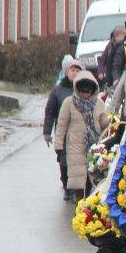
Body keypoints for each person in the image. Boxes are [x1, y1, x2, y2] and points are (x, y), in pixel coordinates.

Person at [54, 71, 110, 202]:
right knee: (78, 180)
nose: (85, 94)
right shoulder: (69, 103)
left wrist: (109, 121)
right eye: (82, 91)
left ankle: (88, 209)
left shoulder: (99, 104)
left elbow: (104, 124)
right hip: (75, 146)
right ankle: (79, 207)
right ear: (77, 89)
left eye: (88, 91)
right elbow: (61, 124)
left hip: (94, 147)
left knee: (92, 179)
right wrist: (58, 145)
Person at [44, 58, 84, 201]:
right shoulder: (58, 90)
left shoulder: (85, 89)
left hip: (79, 132)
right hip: (63, 131)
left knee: (77, 160)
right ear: (67, 72)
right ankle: (67, 186)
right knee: (64, 160)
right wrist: (47, 132)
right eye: (72, 70)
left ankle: (77, 188)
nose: (75, 73)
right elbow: (50, 112)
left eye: (78, 70)